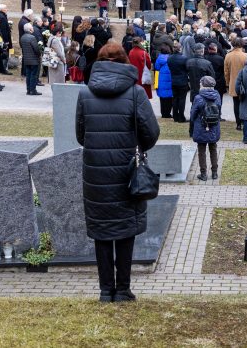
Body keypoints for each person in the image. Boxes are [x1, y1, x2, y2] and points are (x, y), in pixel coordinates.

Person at [76, 42, 160, 303]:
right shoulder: (135, 93)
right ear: (124, 61)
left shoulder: (85, 94)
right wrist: (135, 145)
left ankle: (105, 290)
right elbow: (151, 133)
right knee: (124, 232)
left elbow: (81, 136)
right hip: (125, 172)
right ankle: (122, 289)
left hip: (96, 174)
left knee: (102, 232)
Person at [189, 75, 222, 180]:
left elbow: (193, 114)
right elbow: (219, 111)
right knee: (213, 149)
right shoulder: (217, 96)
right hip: (214, 126)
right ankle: (215, 173)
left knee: (201, 150)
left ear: (202, 85)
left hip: (201, 127)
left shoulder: (198, 98)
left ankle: (203, 174)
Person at [224, 40, 247, 130]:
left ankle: (238, 123)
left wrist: (227, 82)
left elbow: (226, 72)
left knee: (236, 104)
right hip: (244, 83)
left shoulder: (228, 55)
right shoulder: (245, 56)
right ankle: (244, 121)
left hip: (233, 83)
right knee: (244, 104)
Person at [167, 42, 190, 123]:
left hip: (174, 81)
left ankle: (175, 116)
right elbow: (187, 69)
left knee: (175, 98)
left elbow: (170, 68)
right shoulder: (184, 58)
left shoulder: (169, 58)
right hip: (182, 81)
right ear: (180, 49)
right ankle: (181, 117)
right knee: (181, 99)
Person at [20, 23, 42, 95]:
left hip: (26, 59)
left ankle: (28, 90)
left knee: (28, 75)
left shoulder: (22, 37)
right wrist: (39, 54)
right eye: (32, 28)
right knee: (33, 75)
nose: (33, 29)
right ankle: (33, 90)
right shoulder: (32, 37)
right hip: (34, 59)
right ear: (30, 29)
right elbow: (36, 49)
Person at [154, 46, 173, 117]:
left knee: (162, 98)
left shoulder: (158, 59)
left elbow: (156, 68)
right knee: (169, 97)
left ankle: (163, 113)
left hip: (161, 78)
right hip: (169, 78)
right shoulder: (170, 58)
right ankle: (168, 113)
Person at [0, 4, 13, 75]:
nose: (7, 9)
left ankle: (1, 68)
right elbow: (4, 31)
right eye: (6, 8)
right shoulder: (2, 17)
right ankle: (3, 69)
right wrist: (6, 42)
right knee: (5, 54)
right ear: (2, 9)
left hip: (2, 39)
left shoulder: (0, 16)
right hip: (4, 39)